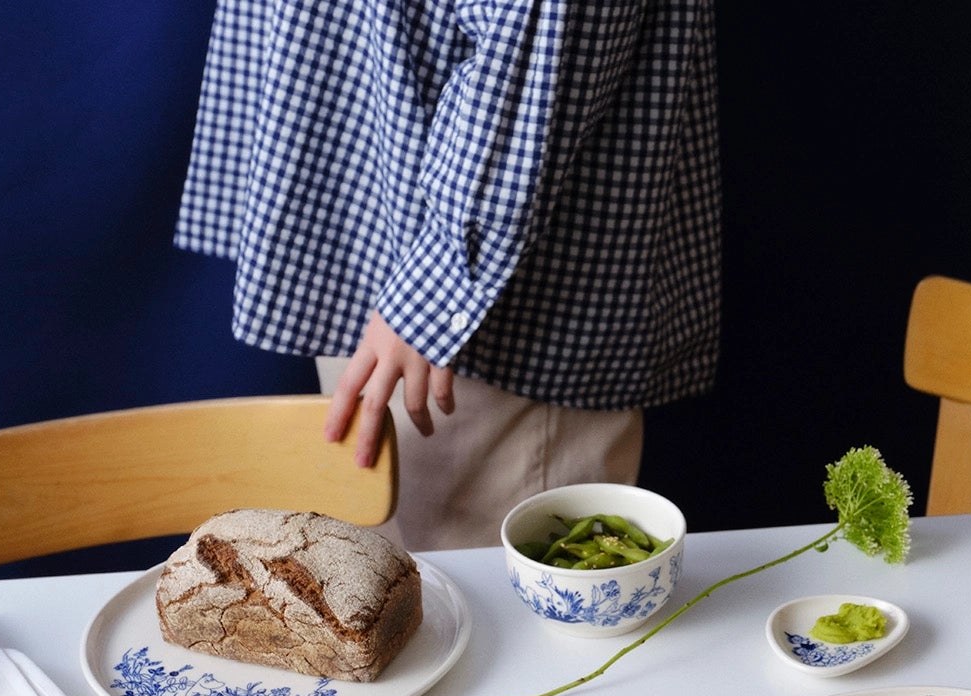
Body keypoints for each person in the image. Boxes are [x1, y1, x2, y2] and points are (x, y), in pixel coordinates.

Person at [174, 1, 721, 550]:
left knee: (484, 606)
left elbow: (542, 33)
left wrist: (436, 285)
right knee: (402, 592)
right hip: (383, 247)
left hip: (485, 300)